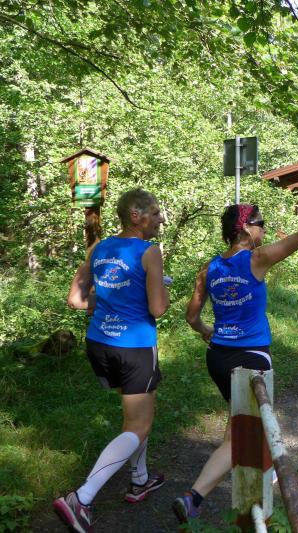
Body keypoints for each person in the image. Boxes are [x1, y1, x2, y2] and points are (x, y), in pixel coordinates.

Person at [174, 198, 298, 525]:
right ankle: (199, 497)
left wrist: (209, 332)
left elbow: (191, 317)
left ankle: (221, 490)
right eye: (261, 224)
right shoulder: (257, 259)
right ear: (245, 229)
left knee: (237, 430)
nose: (264, 230)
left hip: (218, 358)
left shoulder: (209, 268)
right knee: (242, 436)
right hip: (250, 359)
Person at [54, 188, 169, 533]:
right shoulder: (150, 251)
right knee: (139, 425)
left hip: (100, 343)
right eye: (155, 212)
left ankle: (140, 480)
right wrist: (162, 286)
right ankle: (82, 497)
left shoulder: (99, 248)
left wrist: (110, 302)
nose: (160, 219)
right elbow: (157, 309)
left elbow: (76, 300)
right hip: (134, 346)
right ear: (136, 215)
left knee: (135, 416)